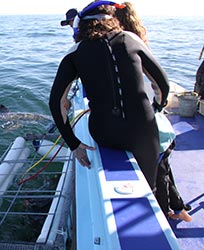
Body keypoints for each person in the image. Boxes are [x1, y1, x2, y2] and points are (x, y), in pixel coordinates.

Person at [49, 1, 169, 193]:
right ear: (113, 19)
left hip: (105, 133)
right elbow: (162, 84)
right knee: (149, 187)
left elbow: (56, 103)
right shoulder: (131, 39)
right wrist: (158, 105)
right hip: (143, 132)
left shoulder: (75, 52)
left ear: (81, 24)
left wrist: (74, 144)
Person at [115, 2, 192, 222]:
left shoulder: (122, 48)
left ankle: (167, 214)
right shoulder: (140, 45)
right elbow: (160, 88)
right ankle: (178, 210)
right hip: (161, 128)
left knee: (160, 175)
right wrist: (157, 107)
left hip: (152, 131)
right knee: (164, 170)